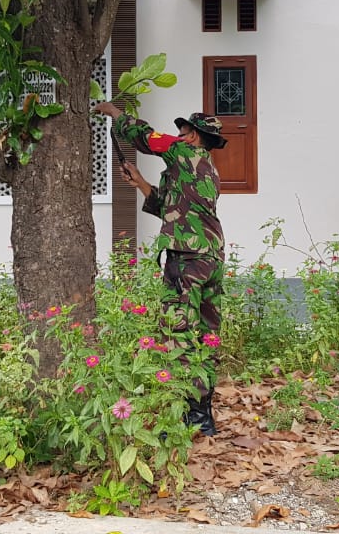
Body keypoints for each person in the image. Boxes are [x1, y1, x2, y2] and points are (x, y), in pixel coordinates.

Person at [93, 102, 227, 436]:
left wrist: (115, 114)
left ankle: (190, 417)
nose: (177, 136)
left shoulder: (182, 152)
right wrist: (140, 183)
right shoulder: (205, 168)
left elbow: (144, 137)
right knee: (206, 334)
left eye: (182, 131)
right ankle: (203, 415)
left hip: (187, 259)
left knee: (178, 331)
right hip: (210, 257)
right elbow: (171, 208)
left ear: (193, 136)